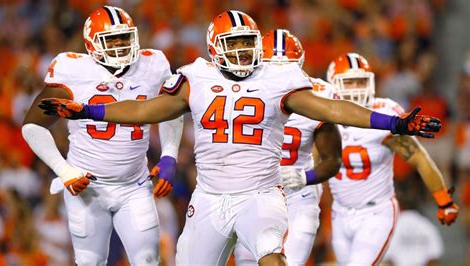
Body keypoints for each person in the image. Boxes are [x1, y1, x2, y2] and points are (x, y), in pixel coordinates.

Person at [39, 10, 441, 266]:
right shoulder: (197, 76)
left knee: (270, 250)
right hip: (209, 197)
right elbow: (147, 111)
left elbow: (330, 109)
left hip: (260, 193)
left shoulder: (277, 78)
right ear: (216, 47)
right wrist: (91, 110)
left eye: (250, 43)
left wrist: (394, 123)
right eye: (237, 44)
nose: (246, 51)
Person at [21, 6, 183, 265]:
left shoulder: (152, 64)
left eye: (124, 38)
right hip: (87, 186)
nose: (120, 46)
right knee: (90, 263)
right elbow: (32, 126)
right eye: (111, 40)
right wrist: (64, 171)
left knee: (149, 260)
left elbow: (173, 109)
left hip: (135, 185)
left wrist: (169, 154)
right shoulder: (72, 70)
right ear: (91, 43)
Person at [325, 53, 459, 265]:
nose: (357, 88)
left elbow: (420, 159)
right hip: (339, 214)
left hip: (376, 212)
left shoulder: (384, 113)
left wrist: (444, 201)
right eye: (349, 82)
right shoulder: (322, 115)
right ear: (333, 85)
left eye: (362, 81)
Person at [233, 29, 342, 265]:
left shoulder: (318, 95)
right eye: (274, 66)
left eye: (288, 66)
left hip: (298, 196)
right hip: (254, 194)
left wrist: (305, 176)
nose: (281, 74)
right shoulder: (242, 94)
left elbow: (333, 160)